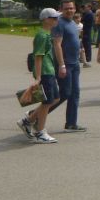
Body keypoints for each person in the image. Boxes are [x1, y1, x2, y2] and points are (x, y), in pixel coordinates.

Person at [17, 8, 61, 143]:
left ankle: (28, 120)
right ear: (46, 19)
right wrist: (38, 77)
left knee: (55, 99)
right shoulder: (42, 36)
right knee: (47, 102)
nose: (57, 20)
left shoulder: (47, 34)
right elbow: (38, 57)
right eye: (54, 18)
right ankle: (40, 132)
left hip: (50, 71)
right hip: (45, 73)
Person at [49, 0, 86, 132]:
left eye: (71, 8)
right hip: (65, 64)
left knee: (75, 94)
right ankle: (35, 116)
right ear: (61, 9)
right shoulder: (59, 23)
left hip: (75, 64)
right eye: (66, 8)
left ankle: (71, 123)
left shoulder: (72, 22)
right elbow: (57, 44)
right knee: (64, 93)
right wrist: (61, 65)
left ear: (75, 8)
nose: (69, 10)